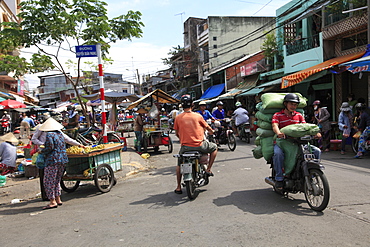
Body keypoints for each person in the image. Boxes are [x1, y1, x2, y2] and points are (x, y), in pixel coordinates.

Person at [272, 93, 321, 190]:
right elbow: (275, 126)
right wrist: (278, 133)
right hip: (283, 142)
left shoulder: (299, 115)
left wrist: (315, 133)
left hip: (298, 142)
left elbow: (305, 127)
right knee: (278, 154)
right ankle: (279, 178)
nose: (293, 106)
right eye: (291, 104)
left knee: (317, 151)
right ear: (285, 104)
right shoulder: (278, 115)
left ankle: (312, 174)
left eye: (295, 105)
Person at [174, 95, 218, 194]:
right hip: (200, 145)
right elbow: (208, 128)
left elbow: (177, 133)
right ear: (193, 105)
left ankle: (178, 187)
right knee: (214, 148)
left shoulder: (178, 118)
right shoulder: (198, 116)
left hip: (185, 147)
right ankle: (209, 169)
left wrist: (183, 139)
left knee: (179, 164)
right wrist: (212, 132)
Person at [38, 117, 68, 210]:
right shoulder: (60, 134)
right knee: (57, 180)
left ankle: (52, 201)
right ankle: (58, 198)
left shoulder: (49, 135)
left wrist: (42, 151)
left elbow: (49, 147)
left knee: (48, 181)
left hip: (53, 160)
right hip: (62, 159)